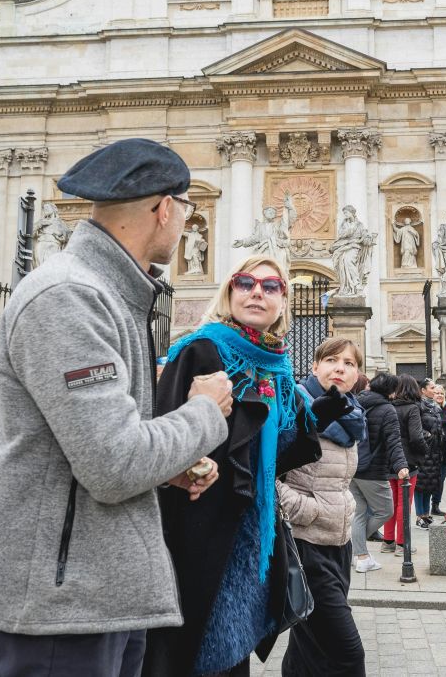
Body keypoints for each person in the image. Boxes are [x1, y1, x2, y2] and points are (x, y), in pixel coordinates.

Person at [0, 138, 235, 676]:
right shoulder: (69, 296)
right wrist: (204, 413)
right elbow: (113, 463)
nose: (186, 224)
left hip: (94, 593)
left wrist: (167, 468)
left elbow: (93, 446)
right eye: (188, 210)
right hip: (61, 605)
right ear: (163, 209)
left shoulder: (109, 293)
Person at [144, 255, 343, 677]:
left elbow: (277, 453)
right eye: (246, 282)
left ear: (283, 302)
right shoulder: (201, 350)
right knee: (189, 651)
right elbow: (163, 433)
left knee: (234, 657)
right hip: (198, 525)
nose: (257, 291)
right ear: (229, 291)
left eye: (271, 286)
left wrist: (319, 412)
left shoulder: (278, 367)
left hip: (252, 532)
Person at [279, 338, 367, 676]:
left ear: (358, 374)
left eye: (349, 362)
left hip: (338, 542)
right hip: (305, 543)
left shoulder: (352, 414)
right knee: (347, 654)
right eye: (331, 359)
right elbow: (266, 468)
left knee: (308, 647)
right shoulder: (295, 406)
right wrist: (302, 507)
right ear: (315, 367)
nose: (340, 367)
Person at [352, 373, 410, 573]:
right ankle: (352, 545)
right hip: (373, 470)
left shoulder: (356, 401)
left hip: (353, 466)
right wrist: (401, 465)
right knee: (385, 510)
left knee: (359, 512)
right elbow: (394, 442)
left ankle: (361, 557)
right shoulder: (387, 410)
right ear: (391, 391)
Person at [384, 374, 427, 555]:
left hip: (389, 458)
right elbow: (416, 437)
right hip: (408, 460)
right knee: (404, 502)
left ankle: (388, 541)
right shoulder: (412, 409)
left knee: (392, 501)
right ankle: (402, 544)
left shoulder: (388, 407)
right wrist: (425, 449)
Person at [415, 377, 446, 528]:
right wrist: (427, 436)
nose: (435, 391)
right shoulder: (418, 405)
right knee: (420, 484)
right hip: (424, 450)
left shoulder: (435, 406)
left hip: (436, 450)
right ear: (423, 390)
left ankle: (426, 514)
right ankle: (420, 515)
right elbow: (416, 427)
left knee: (431, 483)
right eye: (432, 388)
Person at [430, 384, 446, 517]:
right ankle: (429, 507)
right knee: (434, 480)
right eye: (437, 393)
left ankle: (436, 505)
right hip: (435, 450)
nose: (439, 395)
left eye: (442, 393)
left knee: (441, 480)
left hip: (445, 450)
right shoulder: (431, 409)